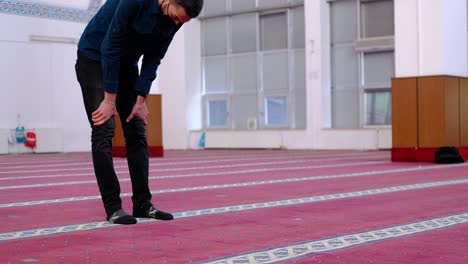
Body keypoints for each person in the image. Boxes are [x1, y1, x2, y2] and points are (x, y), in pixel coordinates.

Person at [75, 0, 204, 225]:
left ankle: (142, 204)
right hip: (95, 56)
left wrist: (141, 98)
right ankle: (113, 207)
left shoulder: (177, 18)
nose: (175, 24)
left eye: (180, 22)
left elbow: (154, 57)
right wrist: (109, 99)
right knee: (104, 127)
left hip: (126, 62)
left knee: (136, 128)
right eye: (175, 18)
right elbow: (110, 46)